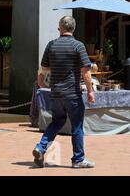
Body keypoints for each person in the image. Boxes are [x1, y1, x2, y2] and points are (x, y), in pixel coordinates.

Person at [33, 16, 95, 169]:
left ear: (59, 28)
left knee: (57, 121)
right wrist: (90, 91)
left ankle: (41, 147)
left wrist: (41, 82)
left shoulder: (52, 45)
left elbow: (44, 68)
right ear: (73, 28)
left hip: (55, 93)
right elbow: (86, 72)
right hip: (72, 94)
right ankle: (78, 159)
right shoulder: (78, 46)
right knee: (77, 126)